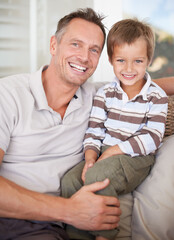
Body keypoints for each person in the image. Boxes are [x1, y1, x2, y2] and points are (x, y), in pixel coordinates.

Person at [0, 8, 122, 240]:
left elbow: (142, 84)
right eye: (75, 44)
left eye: (94, 49)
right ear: (54, 45)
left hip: (43, 229)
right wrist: (70, 211)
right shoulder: (8, 94)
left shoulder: (96, 99)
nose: (85, 57)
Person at [61, 18, 168, 240]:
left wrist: (110, 152)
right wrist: (91, 157)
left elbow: (152, 137)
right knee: (70, 180)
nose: (129, 69)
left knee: (99, 174)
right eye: (121, 60)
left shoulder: (156, 96)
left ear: (148, 60)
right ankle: (77, 234)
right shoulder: (105, 94)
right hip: (102, 154)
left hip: (136, 157)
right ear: (110, 59)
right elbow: (94, 131)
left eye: (137, 61)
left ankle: (105, 234)